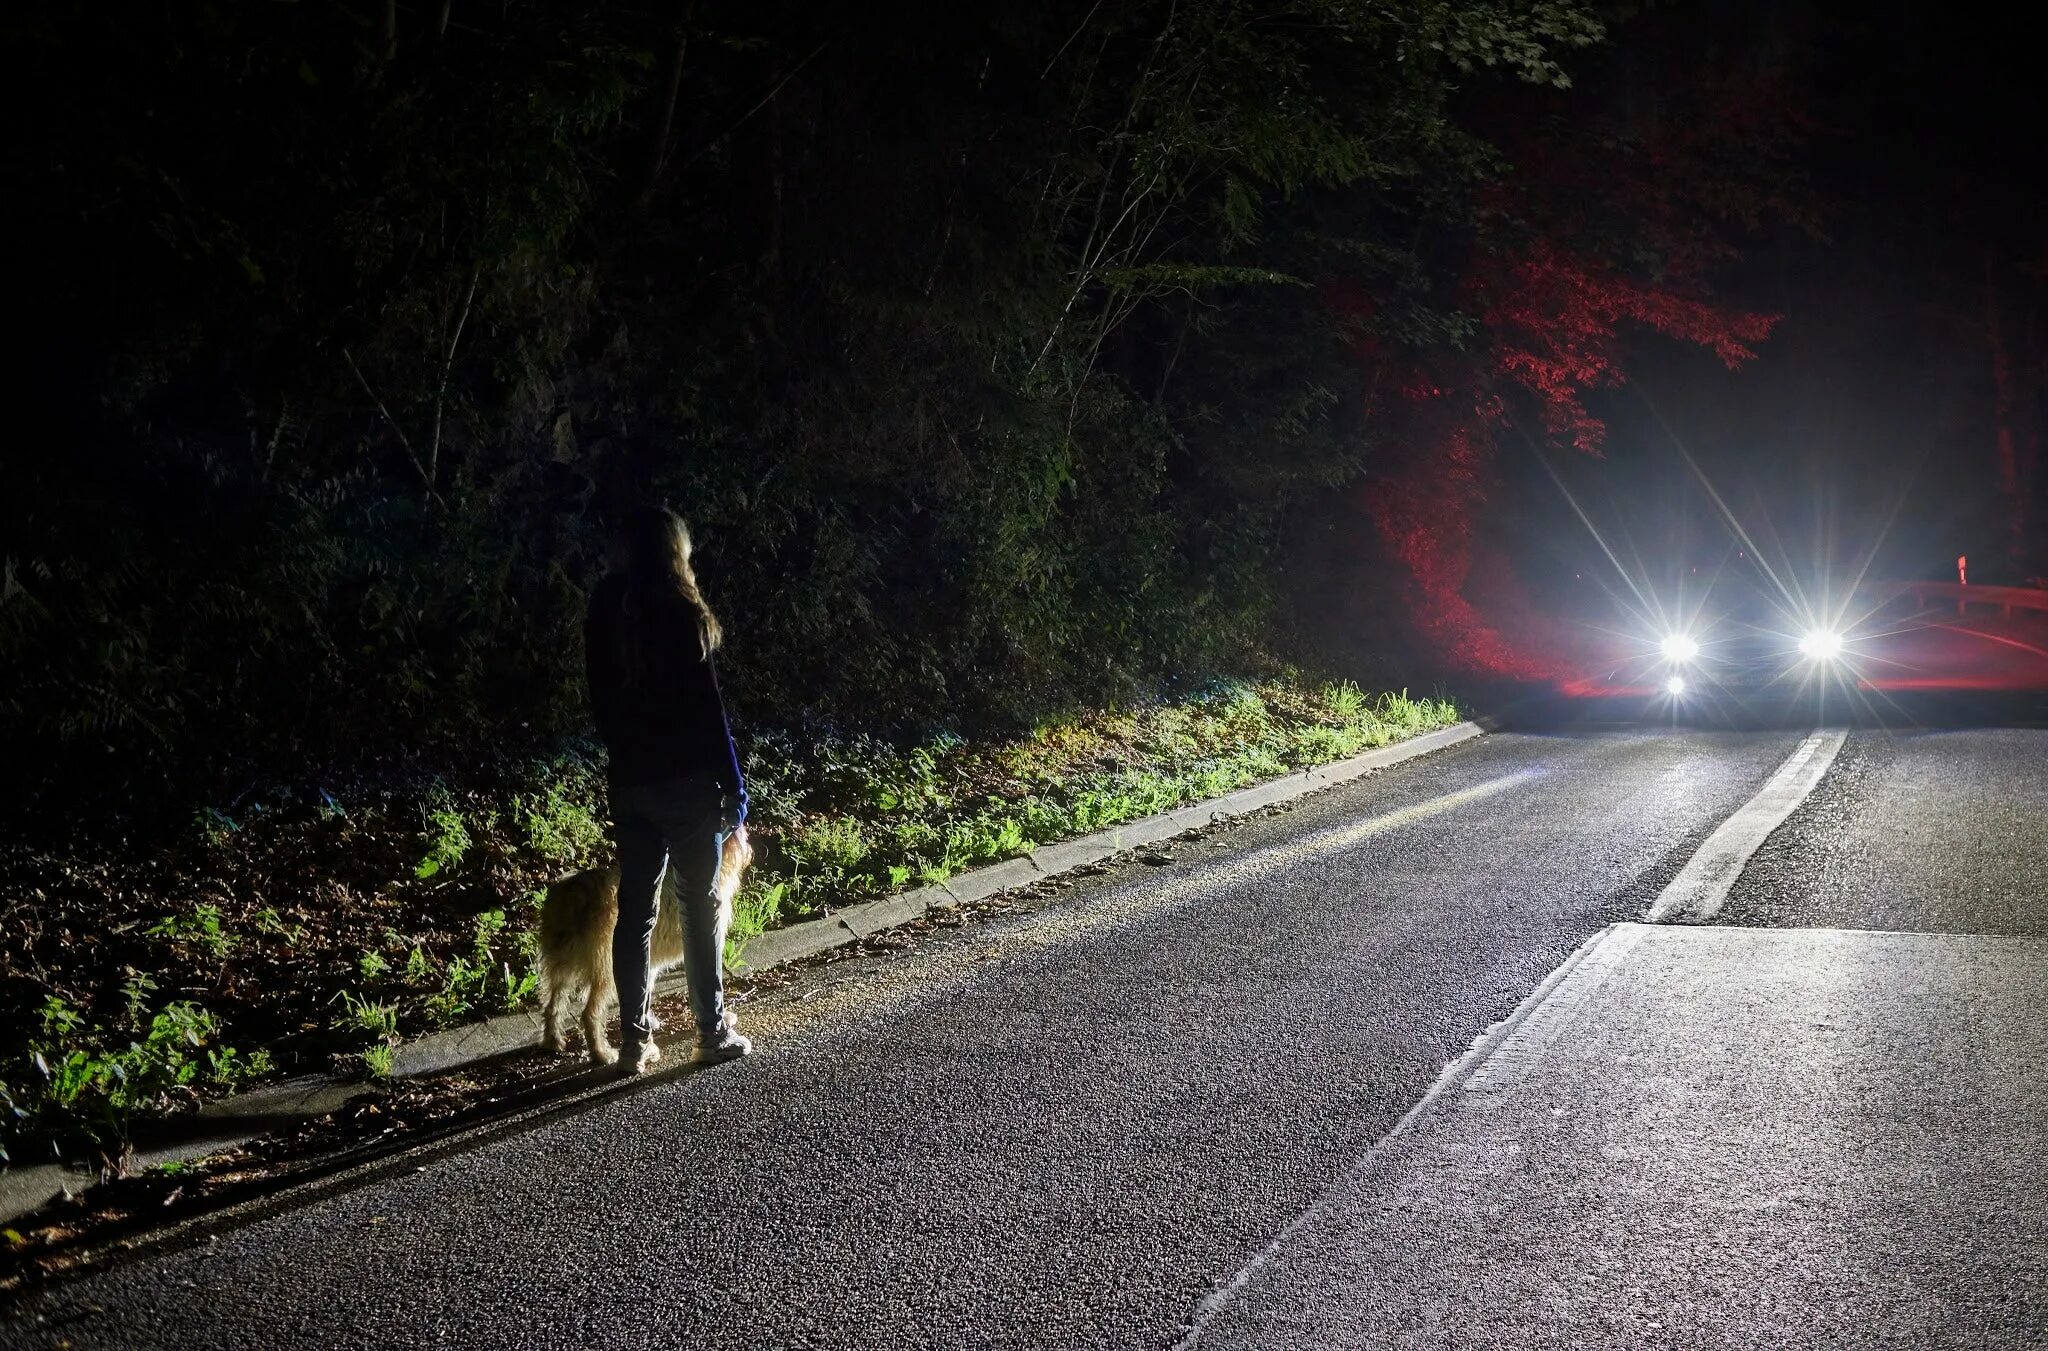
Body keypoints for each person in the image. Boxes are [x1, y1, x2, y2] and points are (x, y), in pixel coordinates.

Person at [585, 505, 753, 1074]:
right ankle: (711, 1031)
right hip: (686, 784)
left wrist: (625, 756)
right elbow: (709, 710)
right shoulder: (683, 610)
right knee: (698, 907)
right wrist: (733, 784)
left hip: (630, 782)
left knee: (634, 911)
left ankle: (634, 1042)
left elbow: (600, 704)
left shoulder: (605, 608)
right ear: (674, 552)